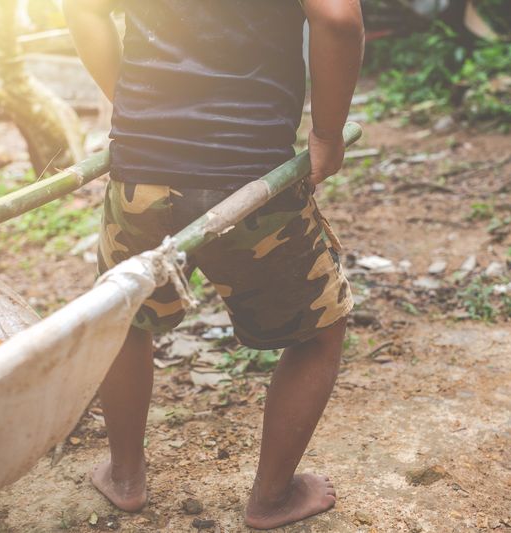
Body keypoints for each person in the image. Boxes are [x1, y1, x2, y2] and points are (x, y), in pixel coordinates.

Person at [64, 0, 364, 528]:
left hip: (142, 173)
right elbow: (337, 18)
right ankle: (272, 497)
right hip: (250, 180)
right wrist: (328, 133)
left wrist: (133, 110)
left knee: (125, 321)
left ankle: (126, 476)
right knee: (319, 334)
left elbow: (82, 9)